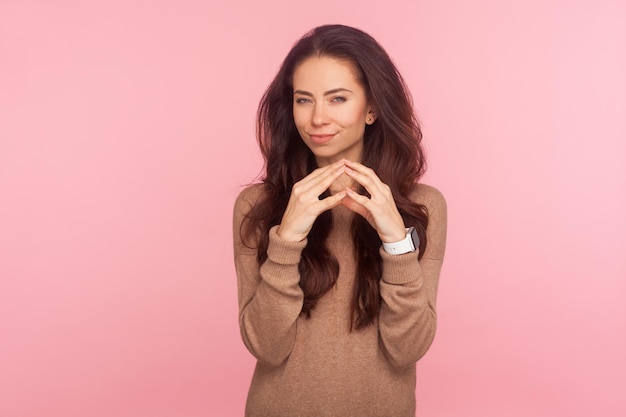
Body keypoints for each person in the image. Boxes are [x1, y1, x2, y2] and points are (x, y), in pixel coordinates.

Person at [232, 24, 447, 417]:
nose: (316, 118)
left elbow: (408, 349)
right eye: (303, 100)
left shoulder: (422, 207)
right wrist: (287, 241)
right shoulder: (257, 206)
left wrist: (396, 243)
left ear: (372, 108)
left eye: (337, 98)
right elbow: (266, 346)